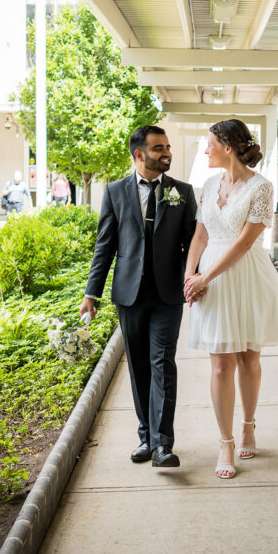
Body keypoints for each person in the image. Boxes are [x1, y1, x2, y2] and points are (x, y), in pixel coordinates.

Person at [79, 126, 197, 468]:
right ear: (138, 154)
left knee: (163, 365)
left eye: (168, 147)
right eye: (158, 148)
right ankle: (145, 436)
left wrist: (195, 279)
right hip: (128, 294)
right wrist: (92, 293)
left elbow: (192, 244)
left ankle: (163, 445)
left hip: (168, 294)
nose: (166, 153)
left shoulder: (183, 192)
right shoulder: (115, 192)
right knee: (139, 368)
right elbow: (106, 245)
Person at [184, 119, 278, 479]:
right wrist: (190, 275)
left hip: (246, 276)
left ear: (227, 147)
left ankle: (248, 424)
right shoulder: (210, 184)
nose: (205, 150)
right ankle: (225, 442)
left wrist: (205, 277)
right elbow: (200, 234)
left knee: (248, 358)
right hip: (209, 277)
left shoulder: (262, 187)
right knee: (220, 364)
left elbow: (246, 242)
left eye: (209, 144)